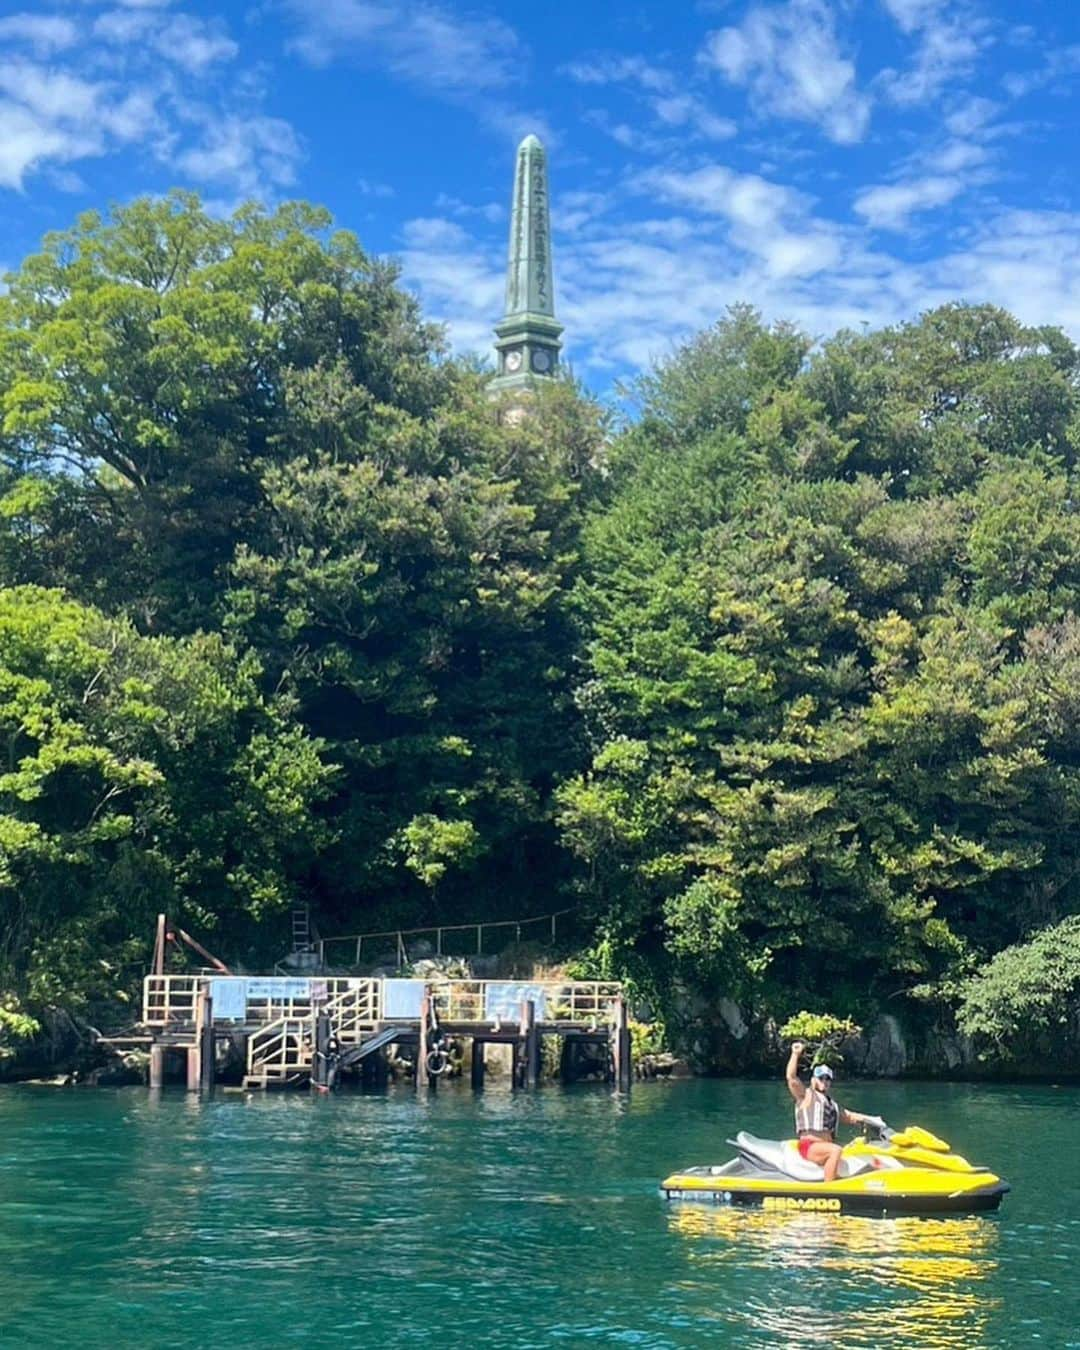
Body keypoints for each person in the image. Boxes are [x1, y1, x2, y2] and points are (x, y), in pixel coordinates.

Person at [785, 1040, 882, 1182]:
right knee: (835, 1150)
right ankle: (829, 1189)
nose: (825, 1081)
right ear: (814, 1080)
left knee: (854, 1148)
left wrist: (873, 1120)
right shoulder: (805, 1096)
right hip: (809, 1147)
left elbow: (849, 1116)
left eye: (828, 1079)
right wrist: (795, 1054)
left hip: (823, 1147)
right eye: (821, 1078)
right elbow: (791, 1078)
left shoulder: (832, 1104)